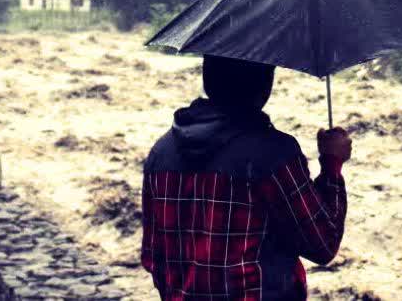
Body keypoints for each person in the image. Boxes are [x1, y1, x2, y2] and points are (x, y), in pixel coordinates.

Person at [142, 55, 351, 300]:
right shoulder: (273, 154)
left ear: (208, 77)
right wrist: (332, 164)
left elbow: (152, 256)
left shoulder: (161, 152)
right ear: (265, 85)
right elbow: (323, 244)